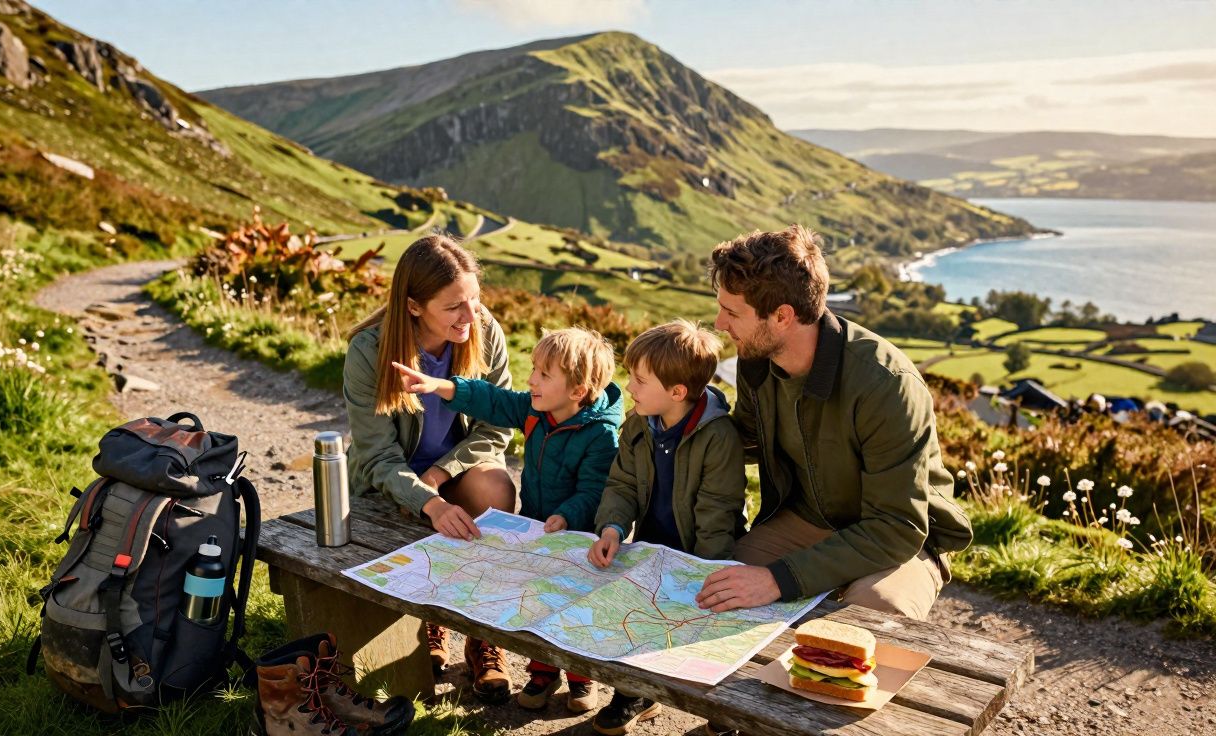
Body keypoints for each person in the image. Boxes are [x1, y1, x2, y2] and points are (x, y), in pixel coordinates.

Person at [695, 225, 972, 622]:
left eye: (732, 312)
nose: (720, 324)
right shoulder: (756, 360)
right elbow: (744, 440)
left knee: (878, 619)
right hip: (804, 521)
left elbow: (897, 527)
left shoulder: (886, 384)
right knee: (713, 591)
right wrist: (680, 415)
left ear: (782, 317)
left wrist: (778, 580)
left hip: (895, 539)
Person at [393, 326, 622, 711]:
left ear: (577, 392)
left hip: (579, 538)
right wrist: (441, 386)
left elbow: (594, 492)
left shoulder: (601, 436)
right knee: (535, 598)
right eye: (534, 368)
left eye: (544, 374)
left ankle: (582, 678)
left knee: (573, 605)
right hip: (537, 526)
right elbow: (492, 400)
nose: (531, 379)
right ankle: (543, 672)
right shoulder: (536, 409)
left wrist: (566, 516)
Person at [343, 235, 516, 700]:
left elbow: (497, 427)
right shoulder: (368, 350)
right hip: (389, 481)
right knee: (428, 526)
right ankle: (431, 626)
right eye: (455, 306)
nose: (470, 316)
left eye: (475, 300)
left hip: (457, 470)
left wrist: (440, 475)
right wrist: (428, 502)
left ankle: (484, 640)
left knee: (497, 492)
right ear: (415, 306)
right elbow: (378, 456)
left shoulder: (484, 331)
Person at [587, 320, 746, 736]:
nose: (630, 386)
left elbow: (717, 515)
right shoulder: (639, 421)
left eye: (640, 379)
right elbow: (621, 484)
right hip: (653, 548)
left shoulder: (719, 438)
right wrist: (612, 528)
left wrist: (705, 574)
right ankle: (635, 693)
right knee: (634, 619)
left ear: (677, 392)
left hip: (703, 553)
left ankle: (724, 709)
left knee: (706, 633)